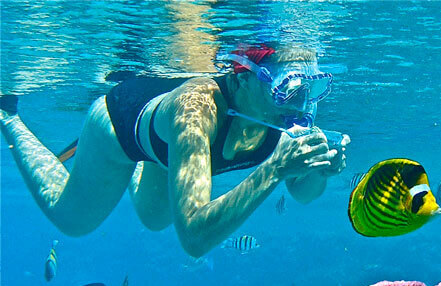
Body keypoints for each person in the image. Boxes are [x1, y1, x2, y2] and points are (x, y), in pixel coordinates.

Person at [0, 45, 348, 257]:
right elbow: (194, 238)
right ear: (242, 78)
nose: (297, 103)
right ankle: (8, 115)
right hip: (119, 127)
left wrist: (319, 170)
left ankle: (153, 160)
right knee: (74, 221)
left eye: (307, 88)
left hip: (168, 146)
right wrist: (272, 170)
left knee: (155, 219)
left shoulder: (276, 115)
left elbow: (302, 192)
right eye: (284, 88)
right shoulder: (196, 112)